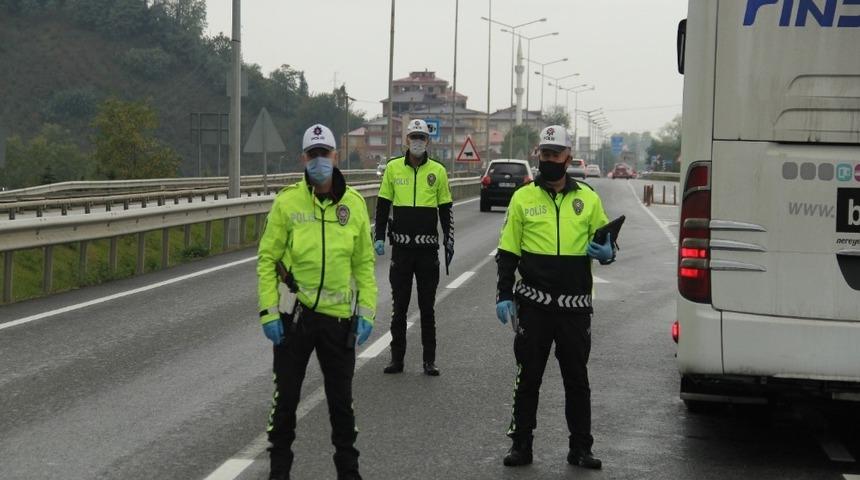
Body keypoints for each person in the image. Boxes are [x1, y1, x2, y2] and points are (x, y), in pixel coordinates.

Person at [257, 124, 378, 480]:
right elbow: (267, 259)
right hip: (296, 318)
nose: (320, 161)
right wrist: (268, 312)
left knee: (342, 406)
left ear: (336, 157)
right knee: (286, 403)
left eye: (325, 153)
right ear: (303, 159)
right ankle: (278, 472)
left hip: (339, 322)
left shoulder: (353, 205)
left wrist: (367, 312)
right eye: (313, 155)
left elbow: (364, 265)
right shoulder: (287, 202)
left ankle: (349, 472)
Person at [494, 125, 616, 469]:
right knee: (528, 377)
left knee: (577, 381)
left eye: (555, 155)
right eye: (544, 155)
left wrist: (607, 252)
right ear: (539, 155)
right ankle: (521, 445)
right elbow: (507, 251)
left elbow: (606, 240)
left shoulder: (588, 198)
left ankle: (581, 448)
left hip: (574, 309)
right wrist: (504, 293)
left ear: (568, 157)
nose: (549, 161)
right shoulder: (523, 198)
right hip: (533, 306)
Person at [374, 119, 454, 376]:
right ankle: (396, 359)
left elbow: (445, 210)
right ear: (406, 140)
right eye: (413, 137)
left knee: (427, 308)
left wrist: (448, 240)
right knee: (399, 308)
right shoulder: (393, 168)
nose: (417, 141)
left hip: (427, 251)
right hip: (402, 250)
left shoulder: (438, 171)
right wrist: (379, 236)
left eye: (422, 136)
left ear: (427, 141)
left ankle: (429, 360)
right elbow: (383, 204)